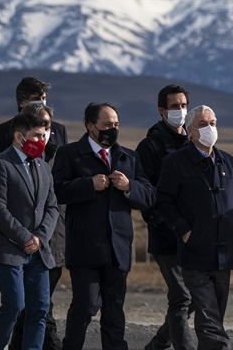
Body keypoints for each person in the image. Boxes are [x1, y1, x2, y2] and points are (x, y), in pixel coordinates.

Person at [53, 103, 156, 350]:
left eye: (116, 125)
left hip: (117, 248)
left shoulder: (128, 157)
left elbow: (150, 196)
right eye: (107, 125)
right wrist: (88, 184)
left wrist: (130, 186)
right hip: (85, 247)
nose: (113, 129)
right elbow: (57, 190)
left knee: (114, 310)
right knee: (86, 305)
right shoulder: (70, 154)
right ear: (91, 126)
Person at [154, 105, 233, 350]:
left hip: (225, 252)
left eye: (213, 123)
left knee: (216, 315)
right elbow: (163, 201)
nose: (210, 128)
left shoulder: (229, 162)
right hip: (195, 253)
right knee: (207, 316)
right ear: (191, 131)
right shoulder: (176, 162)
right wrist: (184, 231)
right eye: (203, 124)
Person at [0, 78, 70, 350]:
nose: (42, 140)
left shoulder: (42, 165)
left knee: (39, 310)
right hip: (10, 248)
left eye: (45, 135)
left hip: (39, 250)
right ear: (19, 136)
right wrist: (25, 237)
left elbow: (51, 205)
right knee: (14, 306)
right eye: (37, 135)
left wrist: (40, 238)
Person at [137, 85, 196, 350]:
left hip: (194, 237)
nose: (180, 111)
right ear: (162, 111)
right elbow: (146, 193)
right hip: (166, 237)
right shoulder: (150, 146)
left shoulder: (195, 142)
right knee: (181, 297)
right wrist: (162, 223)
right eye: (174, 107)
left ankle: (158, 344)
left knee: (195, 296)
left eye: (183, 106)